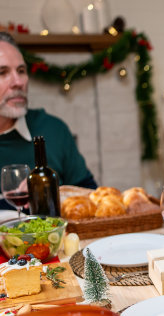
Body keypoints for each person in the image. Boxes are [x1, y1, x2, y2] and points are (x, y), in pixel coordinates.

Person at [0, 31, 96, 210]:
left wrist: (55, 196)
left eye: (21, 71)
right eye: (2, 72)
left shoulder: (53, 129)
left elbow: (91, 195)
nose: (18, 81)